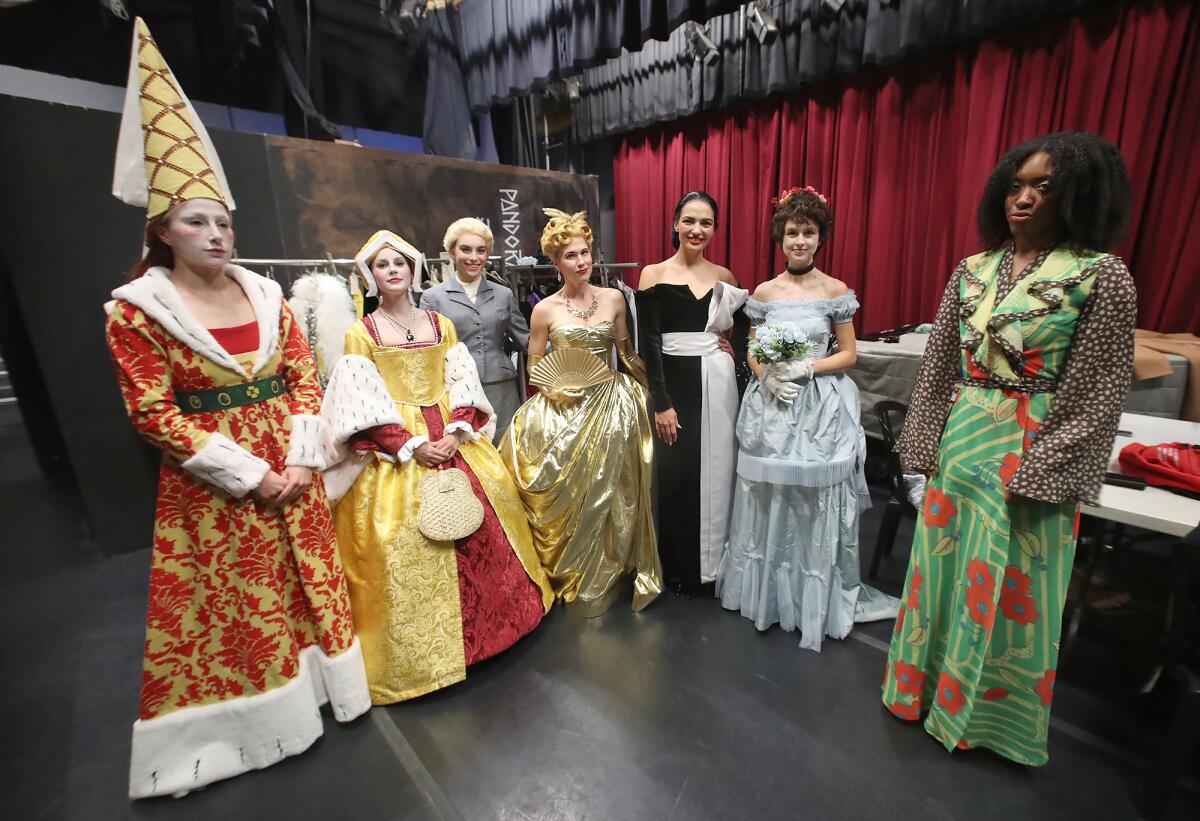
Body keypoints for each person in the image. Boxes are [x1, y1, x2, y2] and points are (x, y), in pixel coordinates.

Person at [104, 18, 369, 799]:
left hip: (291, 459)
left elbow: (302, 378)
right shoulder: (136, 311)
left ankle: (327, 692)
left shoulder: (267, 294)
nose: (216, 234)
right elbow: (153, 412)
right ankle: (241, 727)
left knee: (306, 580)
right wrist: (249, 473)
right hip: (216, 479)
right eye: (196, 221)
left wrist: (298, 456)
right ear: (163, 230)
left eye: (222, 221)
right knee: (234, 597)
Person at [881, 132, 1137, 766]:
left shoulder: (1101, 276)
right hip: (962, 442)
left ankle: (986, 721)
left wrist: (1042, 471)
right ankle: (919, 694)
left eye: (1043, 186)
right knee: (940, 575)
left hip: (1031, 449)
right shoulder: (972, 269)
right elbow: (939, 366)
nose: (1024, 199)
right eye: (1017, 184)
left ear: (1078, 192)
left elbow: (1098, 393)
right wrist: (920, 446)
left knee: (1010, 588)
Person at [320, 229, 553, 704]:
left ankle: (502, 625)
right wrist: (407, 444)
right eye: (382, 265)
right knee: (394, 539)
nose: (392, 271)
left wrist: (454, 432)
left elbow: (461, 379)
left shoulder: (439, 324)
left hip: (448, 431)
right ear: (370, 275)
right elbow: (359, 401)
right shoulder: (360, 333)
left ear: (414, 270)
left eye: (400, 263)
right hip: (397, 442)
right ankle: (426, 656)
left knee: (493, 504)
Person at [717, 186, 898, 650]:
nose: (800, 240)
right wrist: (766, 376)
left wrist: (806, 367)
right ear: (781, 237)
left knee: (813, 501)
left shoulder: (835, 291)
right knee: (771, 497)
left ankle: (810, 594)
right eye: (793, 232)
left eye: (809, 233)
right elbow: (753, 349)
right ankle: (772, 596)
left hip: (819, 406)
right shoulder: (764, 292)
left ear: (821, 238)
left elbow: (851, 354)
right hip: (774, 404)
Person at [500, 209, 663, 616]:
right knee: (575, 493)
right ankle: (573, 570)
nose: (582, 261)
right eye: (571, 256)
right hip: (564, 406)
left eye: (586, 252)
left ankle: (615, 567)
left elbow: (626, 354)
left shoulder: (613, 298)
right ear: (557, 264)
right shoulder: (544, 310)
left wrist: (656, 395)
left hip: (611, 404)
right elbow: (535, 363)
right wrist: (556, 386)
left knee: (614, 493)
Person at [636, 191, 748, 596]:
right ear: (675, 224)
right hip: (674, 384)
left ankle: (715, 567)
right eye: (689, 221)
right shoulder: (653, 274)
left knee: (720, 468)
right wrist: (661, 402)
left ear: (715, 230)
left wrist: (737, 356)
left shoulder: (727, 277)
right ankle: (681, 567)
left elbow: (750, 328)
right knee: (677, 473)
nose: (697, 230)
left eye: (706, 223)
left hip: (718, 383)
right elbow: (647, 343)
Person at [420, 218, 530, 442]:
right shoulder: (432, 298)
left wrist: (567, 344)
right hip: (456, 391)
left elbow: (525, 341)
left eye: (481, 250)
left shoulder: (504, 294)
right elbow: (428, 354)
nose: (474, 257)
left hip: (502, 388)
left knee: (506, 448)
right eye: (465, 249)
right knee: (467, 453)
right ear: (452, 252)